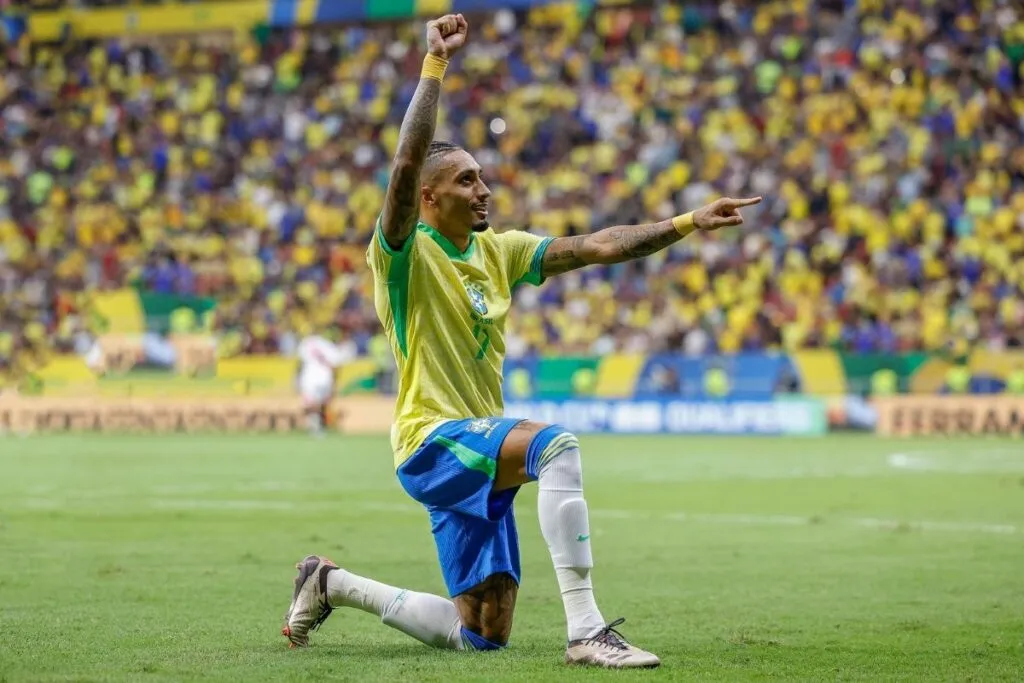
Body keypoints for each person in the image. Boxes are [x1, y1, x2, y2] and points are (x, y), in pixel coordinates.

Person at [282, 14, 761, 668]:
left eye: (482, 177)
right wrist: (434, 66)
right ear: (428, 198)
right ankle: (586, 629)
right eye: (467, 180)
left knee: (481, 630)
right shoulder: (404, 257)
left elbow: (593, 246)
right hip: (431, 438)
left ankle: (329, 581)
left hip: (471, 441)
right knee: (556, 445)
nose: (484, 189)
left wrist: (685, 222)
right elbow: (401, 165)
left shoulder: (500, 250)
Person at [295, 327, 355, 436]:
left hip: (309, 377)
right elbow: (335, 365)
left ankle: (316, 427)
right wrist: (335, 382)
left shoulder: (306, 342)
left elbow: (299, 363)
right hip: (325, 378)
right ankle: (319, 427)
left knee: (311, 404)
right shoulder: (329, 345)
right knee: (322, 404)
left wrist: (296, 379)